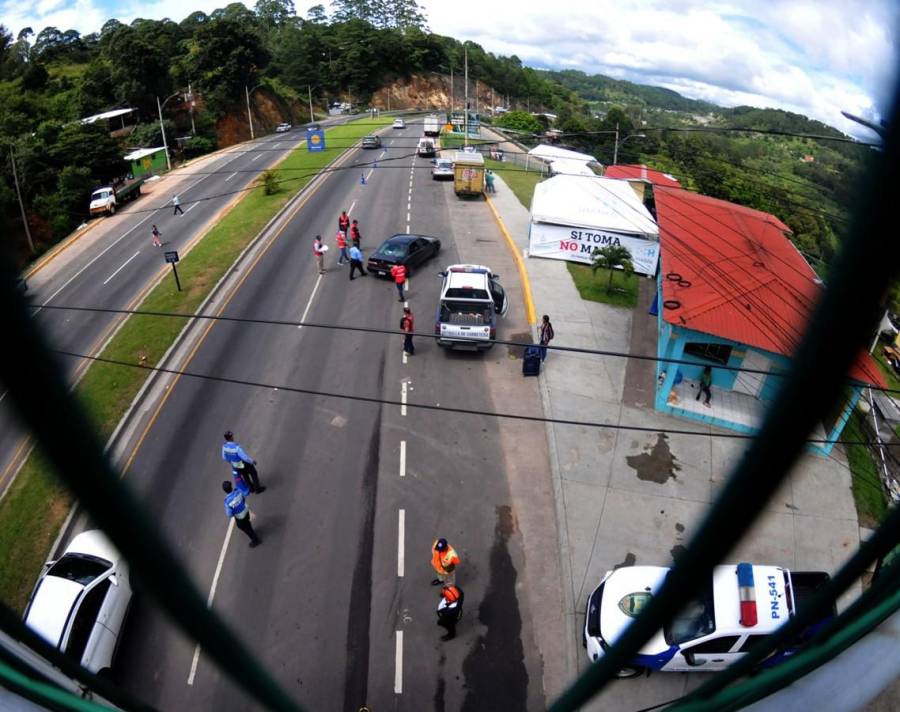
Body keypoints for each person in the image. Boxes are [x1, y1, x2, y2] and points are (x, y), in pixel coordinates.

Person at [223, 481, 260, 547]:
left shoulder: (227, 501)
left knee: (244, 528)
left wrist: (234, 512)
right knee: (248, 523)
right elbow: (243, 498)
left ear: (225, 491)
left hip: (239, 516)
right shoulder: (238, 491)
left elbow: (229, 514)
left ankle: (255, 540)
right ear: (231, 487)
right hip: (245, 511)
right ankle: (252, 531)